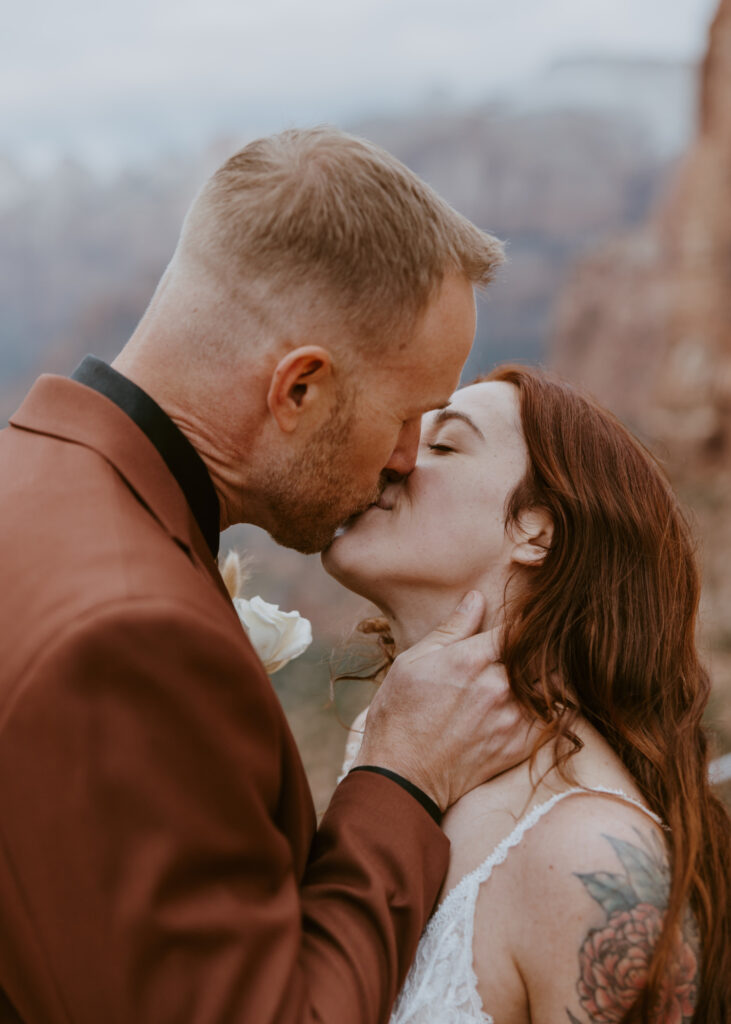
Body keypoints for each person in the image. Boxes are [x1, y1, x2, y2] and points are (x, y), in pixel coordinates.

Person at [0, 129, 533, 1023]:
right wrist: (401, 778)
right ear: (299, 390)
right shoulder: (130, 635)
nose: (407, 460)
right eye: (407, 416)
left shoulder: (32, 478)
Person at [326, 366, 731, 1023]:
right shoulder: (379, 753)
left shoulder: (593, 862)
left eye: (444, 445)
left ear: (536, 531)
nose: (393, 457)